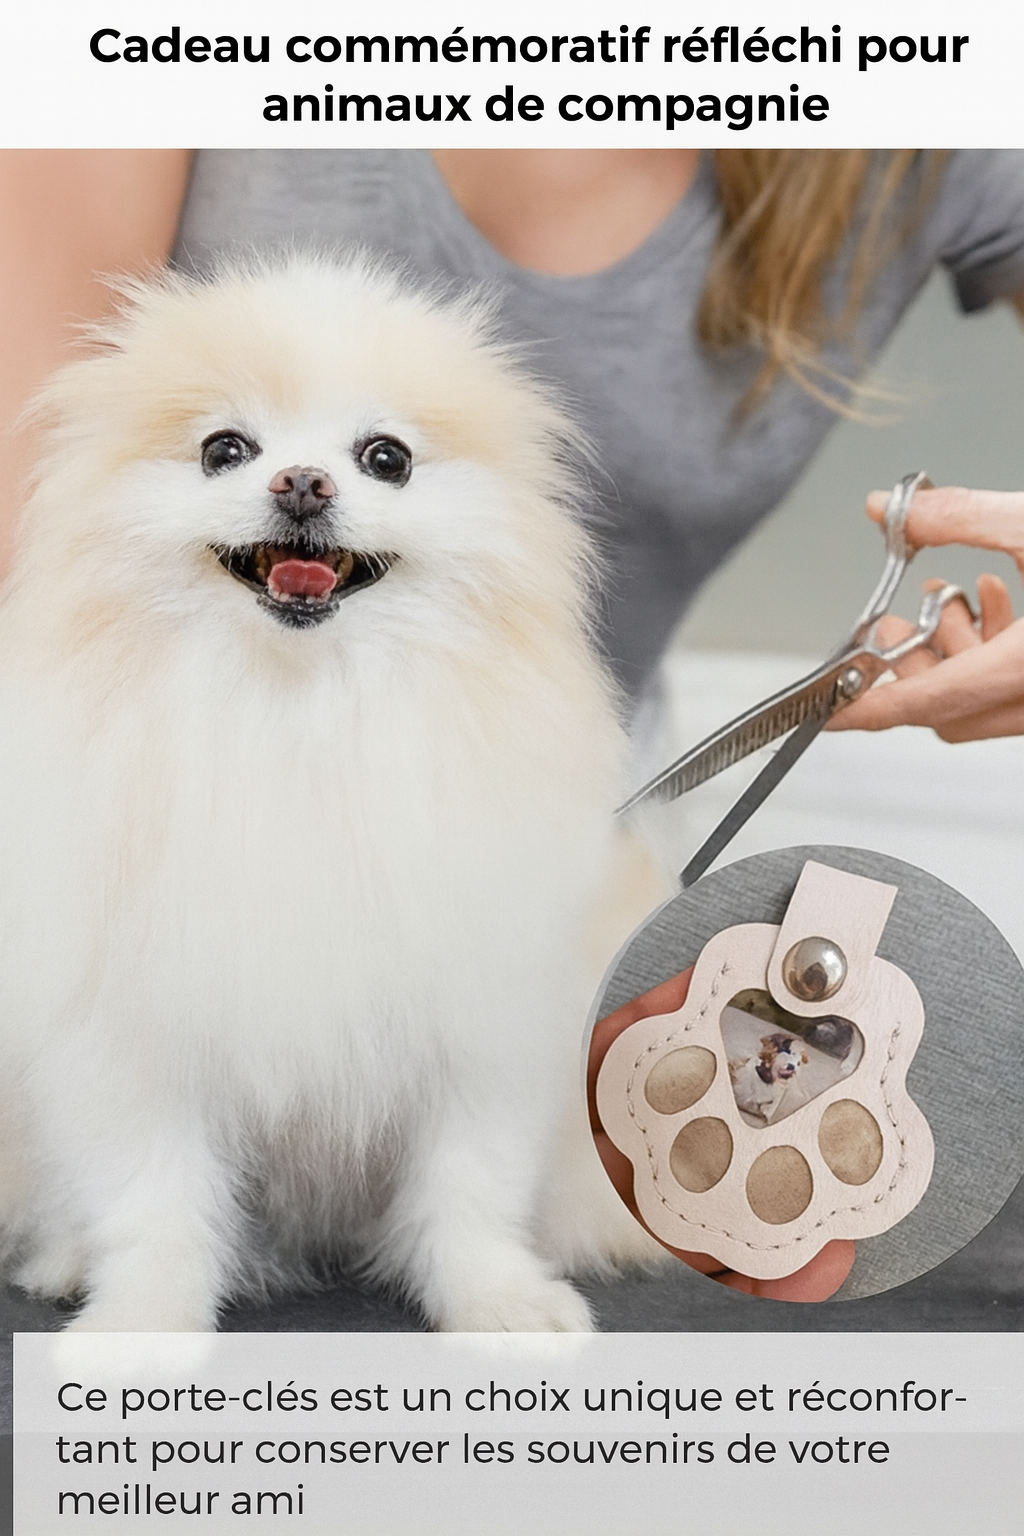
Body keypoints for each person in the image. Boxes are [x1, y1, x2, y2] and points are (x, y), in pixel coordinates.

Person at [2, 147, 1023, 1312]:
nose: (303, 484)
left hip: (574, 793)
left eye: (381, 458)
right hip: (122, 750)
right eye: (227, 450)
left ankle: (466, 1236)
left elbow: (493, 1041)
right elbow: (32, 486)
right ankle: (144, 1235)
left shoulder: (930, 124)